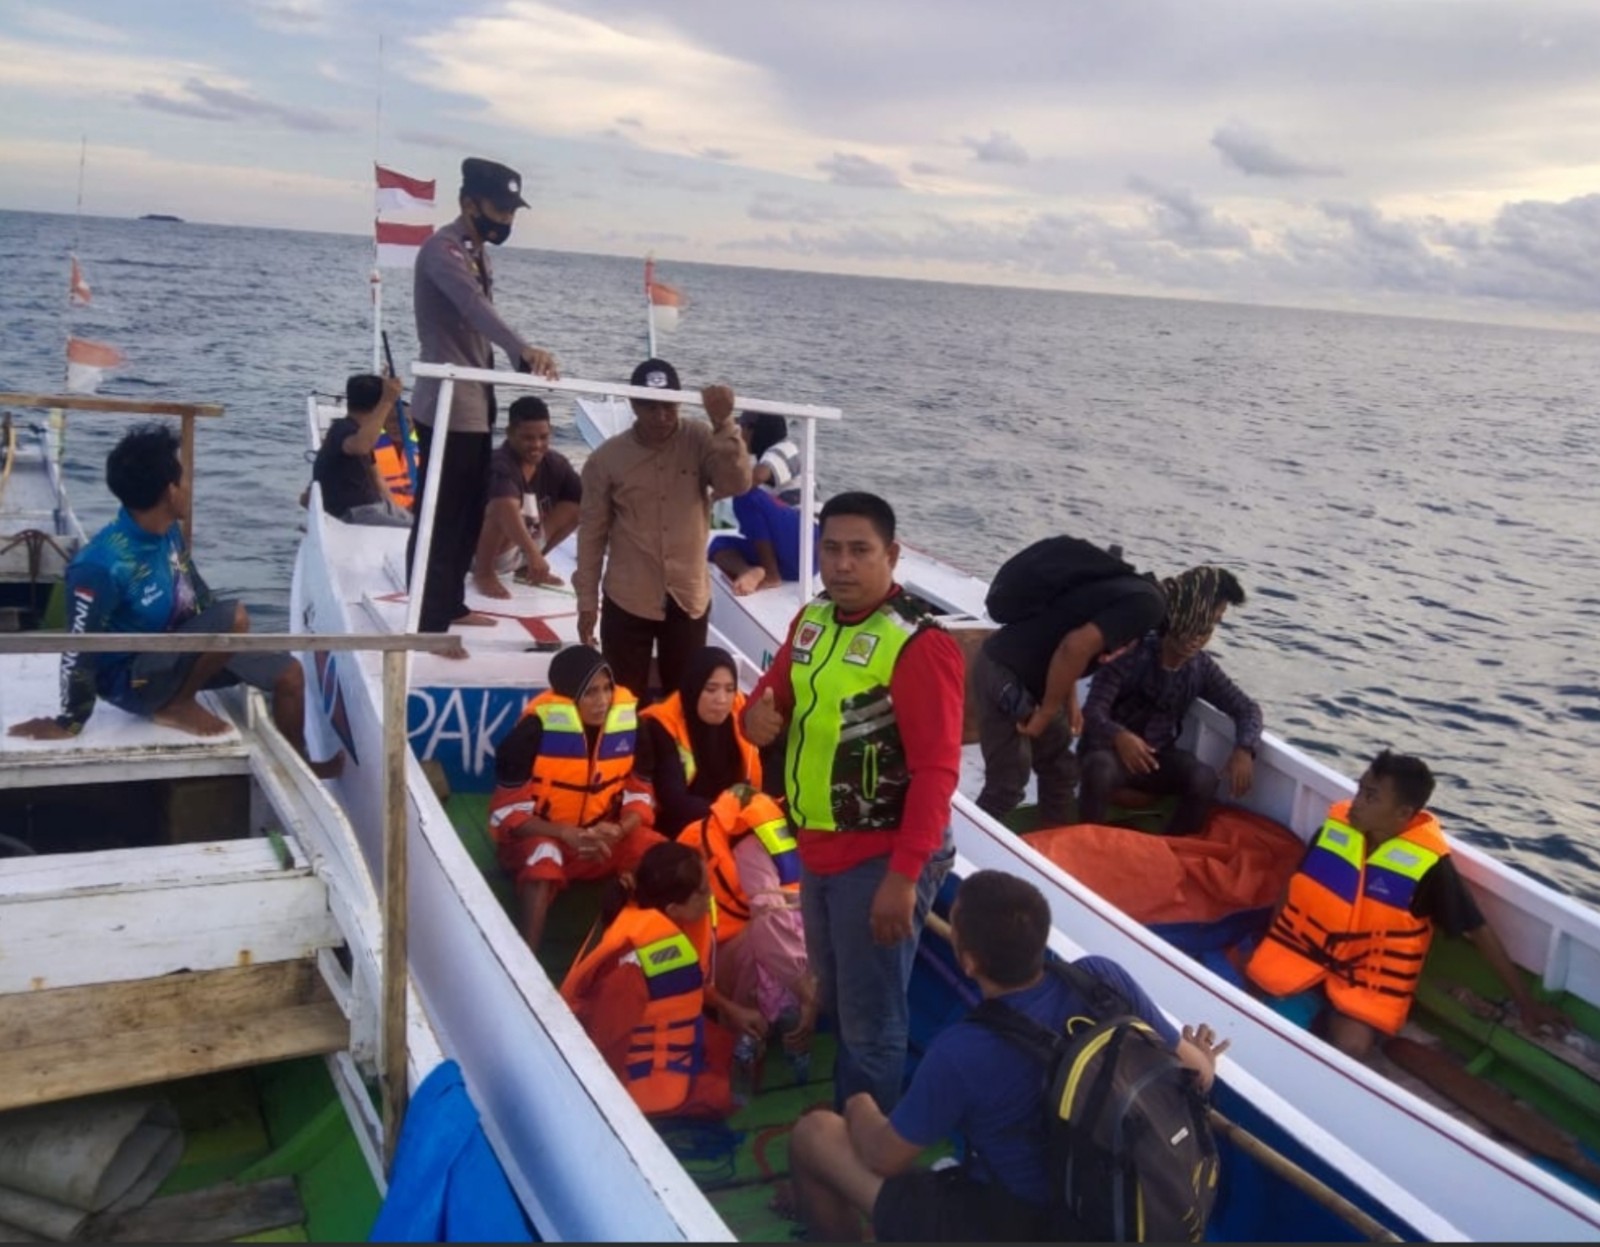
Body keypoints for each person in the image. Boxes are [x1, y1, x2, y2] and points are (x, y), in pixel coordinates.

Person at [788, 870, 1228, 1242]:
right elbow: (1197, 1074)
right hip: (1114, 1212)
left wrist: (859, 1105)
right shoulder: (1102, 979)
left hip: (1022, 1226)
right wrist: (1205, 1056)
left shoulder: (962, 1051)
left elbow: (884, 1157)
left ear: (968, 962)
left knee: (814, 1135)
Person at [743, 491, 962, 1112]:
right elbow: (773, 693)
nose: (842, 564)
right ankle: (850, 1121)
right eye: (831, 549)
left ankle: (858, 1148)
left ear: (891, 555)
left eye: (860, 551)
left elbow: (937, 773)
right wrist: (754, 718)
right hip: (818, 848)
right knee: (839, 991)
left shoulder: (919, 645)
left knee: (872, 1021)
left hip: (882, 856)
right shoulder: (812, 619)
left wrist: (904, 877)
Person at [7, 424, 342, 778]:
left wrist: (230, 646)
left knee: (290, 675)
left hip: (173, 654)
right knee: (236, 616)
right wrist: (69, 722)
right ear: (170, 492)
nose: (189, 487)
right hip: (132, 681)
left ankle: (301, 766)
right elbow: (79, 649)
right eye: (184, 480)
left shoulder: (167, 532)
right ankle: (177, 705)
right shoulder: (101, 565)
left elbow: (195, 594)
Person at [1246, 749, 1569, 1060]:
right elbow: (1294, 888)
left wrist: (1525, 1003)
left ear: (1403, 813)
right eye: (1360, 790)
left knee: (1353, 1046)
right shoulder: (1334, 833)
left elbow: (1478, 929)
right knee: (1262, 1011)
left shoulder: (1430, 867)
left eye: (1371, 797)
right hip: (1302, 963)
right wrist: (1272, 940)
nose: (1357, 802)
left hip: (1362, 986)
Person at [406, 156, 559, 636]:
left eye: (512, 211)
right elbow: (473, 309)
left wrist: (513, 360)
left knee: (466, 511)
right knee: (440, 515)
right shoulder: (443, 251)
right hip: (447, 405)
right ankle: (427, 619)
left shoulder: (476, 253)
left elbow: (478, 323)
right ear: (468, 203)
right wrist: (522, 349)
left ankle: (449, 605)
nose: (506, 220)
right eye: (499, 209)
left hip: (474, 402)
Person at [573, 358, 751, 698]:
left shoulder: (700, 438)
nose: (661, 416)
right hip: (627, 597)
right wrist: (587, 601)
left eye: (669, 406)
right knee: (622, 701)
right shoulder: (606, 459)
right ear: (633, 404)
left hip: (688, 598)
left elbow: (736, 484)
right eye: (650, 407)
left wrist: (724, 424)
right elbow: (591, 533)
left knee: (684, 700)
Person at [560, 841, 766, 1120]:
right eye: (703, 891)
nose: (711, 896)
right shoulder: (630, 965)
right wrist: (613, 1109)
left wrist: (732, 1010)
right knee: (726, 1094)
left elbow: (678, 986)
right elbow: (605, 1040)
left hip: (655, 1032)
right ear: (673, 908)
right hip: (635, 1077)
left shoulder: (648, 917)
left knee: (735, 1052)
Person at [487, 645, 663, 953]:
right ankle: (525, 959)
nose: (603, 700)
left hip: (603, 841)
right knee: (543, 856)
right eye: (591, 692)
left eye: (607, 688)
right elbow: (507, 813)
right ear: (569, 695)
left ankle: (640, 949)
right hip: (546, 839)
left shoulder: (633, 727)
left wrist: (620, 828)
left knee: (659, 853)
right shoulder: (530, 734)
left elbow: (641, 794)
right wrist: (565, 833)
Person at [973, 555, 1167, 827]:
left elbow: (1069, 652)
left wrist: (1070, 701)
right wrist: (1049, 711)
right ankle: (957, 842)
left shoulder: (1106, 605)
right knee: (1008, 784)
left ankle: (1056, 841)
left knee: (1062, 772)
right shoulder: (1119, 608)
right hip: (1005, 674)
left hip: (1039, 684)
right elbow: (1071, 648)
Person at [1077, 566, 1262, 837]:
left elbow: (1246, 708)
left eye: (1211, 626)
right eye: (1200, 622)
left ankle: (1172, 844)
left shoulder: (1201, 668)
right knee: (1099, 768)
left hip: (1157, 760)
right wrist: (1119, 736)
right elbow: (1094, 711)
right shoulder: (1131, 651)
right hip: (1110, 755)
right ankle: (1085, 839)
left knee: (1204, 778)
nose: (1200, 635)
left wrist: (1245, 748)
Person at [678, 784, 818, 1067]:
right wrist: (805, 990)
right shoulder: (751, 844)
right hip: (721, 952)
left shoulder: (790, 832)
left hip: (765, 937)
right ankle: (752, 1032)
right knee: (765, 944)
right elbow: (769, 921)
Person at [622, 645, 762, 839]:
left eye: (730, 689)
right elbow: (674, 800)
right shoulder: (661, 726)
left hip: (737, 818)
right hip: (683, 827)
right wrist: (732, 814)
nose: (722, 699)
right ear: (693, 688)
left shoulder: (742, 710)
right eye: (711, 689)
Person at [470, 395, 582, 599]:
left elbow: (589, 499)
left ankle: (527, 569)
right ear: (510, 433)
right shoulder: (500, 463)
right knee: (501, 507)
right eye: (528, 438)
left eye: (543, 437)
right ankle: (484, 573)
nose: (537, 445)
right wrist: (533, 553)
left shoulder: (555, 463)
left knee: (578, 506)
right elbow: (504, 508)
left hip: (521, 548)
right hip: (478, 551)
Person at [308, 373, 410, 526]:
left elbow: (377, 479)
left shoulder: (361, 432)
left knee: (424, 525)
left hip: (376, 507)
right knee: (421, 532)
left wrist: (395, 509)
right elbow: (361, 446)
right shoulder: (344, 430)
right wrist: (386, 401)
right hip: (353, 514)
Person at [708, 485, 816, 596]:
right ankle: (754, 571)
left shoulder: (747, 495)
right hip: (809, 566)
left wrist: (716, 495)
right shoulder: (765, 498)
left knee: (747, 499)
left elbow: (759, 532)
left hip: (796, 553)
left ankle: (767, 573)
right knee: (722, 543)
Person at [740, 409, 803, 506]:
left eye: (742, 427)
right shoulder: (766, 456)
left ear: (756, 430)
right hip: (790, 510)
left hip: (800, 512)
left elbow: (758, 477)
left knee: (745, 496)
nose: (740, 434)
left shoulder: (784, 448)